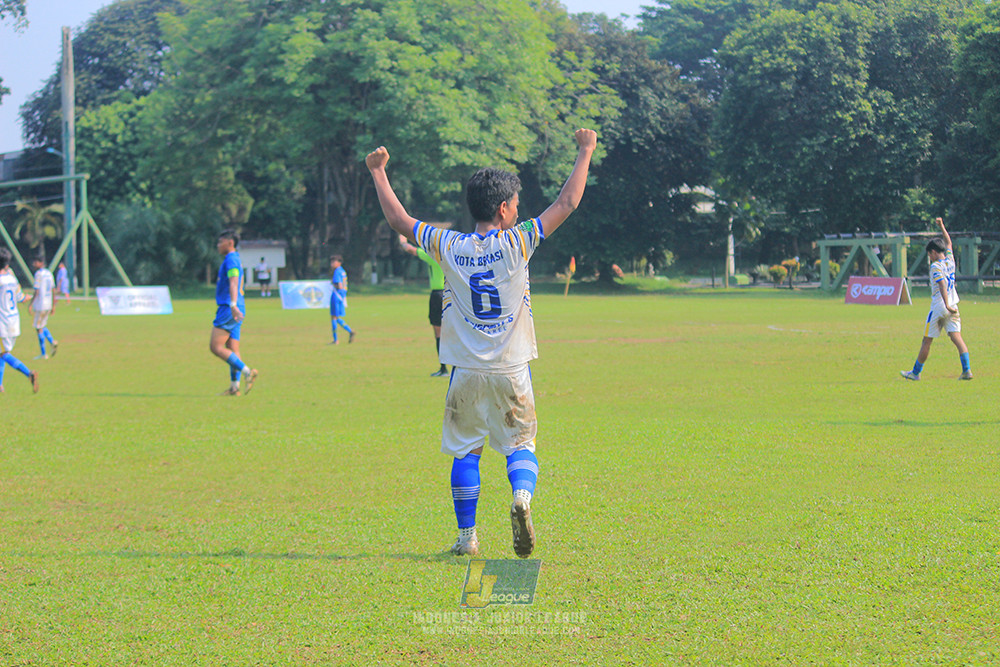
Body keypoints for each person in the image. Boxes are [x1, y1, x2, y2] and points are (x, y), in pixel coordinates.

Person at [366, 128, 597, 558]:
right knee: (520, 446)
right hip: (512, 368)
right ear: (505, 209)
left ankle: (467, 536)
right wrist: (584, 151)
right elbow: (566, 203)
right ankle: (522, 499)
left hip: (465, 371)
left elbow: (399, 221)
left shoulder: (448, 244)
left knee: (466, 450)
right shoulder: (517, 240)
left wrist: (379, 173)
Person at [901, 217, 972, 381]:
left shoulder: (936, 266)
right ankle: (967, 370)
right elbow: (949, 243)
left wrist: (946, 304)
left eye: (929, 254)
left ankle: (915, 373)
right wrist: (941, 226)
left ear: (933, 252)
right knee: (957, 338)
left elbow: (941, 284)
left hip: (941, 307)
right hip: (954, 305)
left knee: (927, 341)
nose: (930, 258)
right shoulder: (950, 260)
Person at [210, 230, 258, 396]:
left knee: (216, 347)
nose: (218, 245)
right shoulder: (234, 258)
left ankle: (247, 372)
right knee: (232, 348)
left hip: (229, 308)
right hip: (237, 307)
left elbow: (234, 281)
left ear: (230, 242)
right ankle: (234, 387)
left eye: (220, 241)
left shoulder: (231, 259)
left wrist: (232, 304)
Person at [399, 233, 448, 376]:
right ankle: (457, 368)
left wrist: (402, 240)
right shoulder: (451, 256)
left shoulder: (433, 256)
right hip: (452, 295)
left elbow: (410, 249)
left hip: (438, 295)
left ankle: (443, 368)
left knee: (438, 332)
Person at [0, 248, 39, 394]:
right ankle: (0, 385)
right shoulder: (12, 279)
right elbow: (21, 297)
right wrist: (29, 297)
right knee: (2, 352)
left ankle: (29, 373)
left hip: (2, 322)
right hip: (13, 322)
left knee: (4, 354)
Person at [30, 257, 58, 359]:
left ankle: (44, 353)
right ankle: (52, 341)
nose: (34, 263)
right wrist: (53, 305)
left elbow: (36, 290)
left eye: (35, 262)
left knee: (38, 328)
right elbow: (53, 289)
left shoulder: (38, 274)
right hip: (48, 304)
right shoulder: (49, 273)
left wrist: (30, 304)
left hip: (40, 304)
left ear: (41, 263)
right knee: (42, 325)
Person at [329, 255, 355, 344]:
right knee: (336, 317)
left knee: (334, 317)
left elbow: (339, 286)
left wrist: (332, 283)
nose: (331, 264)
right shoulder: (343, 271)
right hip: (342, 296)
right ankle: (350, 331)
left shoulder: (337, 271)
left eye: (333, 262)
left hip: (336, 295)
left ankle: (336, 339)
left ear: (339, 262)